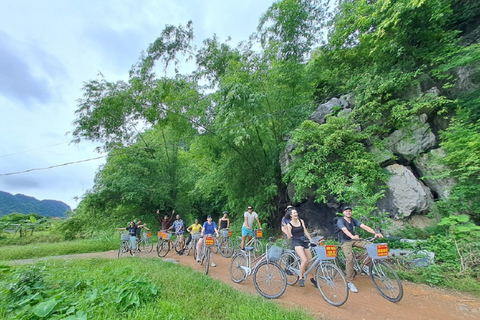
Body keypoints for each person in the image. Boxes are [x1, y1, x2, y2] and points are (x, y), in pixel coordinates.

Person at [337, 206, 383, 293]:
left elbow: (364, 226)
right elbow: (344, 230)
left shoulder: (353, 220)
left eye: (350, 211)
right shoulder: (340, 221)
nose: (348, 212)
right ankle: (349, 281)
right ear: (343, 213)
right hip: (345, 241)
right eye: (346, 211)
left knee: (371, 246)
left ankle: (367, 265)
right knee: (349, 259)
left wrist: (375, 233)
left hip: (354, 240)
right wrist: (352, 236)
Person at [286, 209, 315, 287]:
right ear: (291, 215)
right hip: (296, 242)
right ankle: (301, 278)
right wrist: (287, 230)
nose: (296, 214)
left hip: (303, 241)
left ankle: (313, 278)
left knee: (311, 261)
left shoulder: (301, 221)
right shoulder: (289, 225)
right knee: (304, 260)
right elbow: (289, 237)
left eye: (296, 212)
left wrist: (311, 240)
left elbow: (305, 231)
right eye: (294, 213)